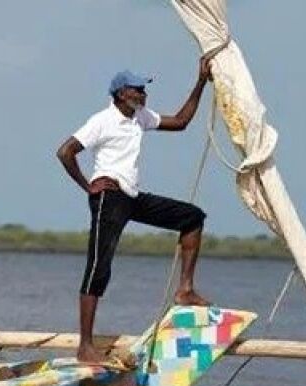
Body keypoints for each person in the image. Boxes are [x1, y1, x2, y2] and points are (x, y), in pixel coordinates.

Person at [56, 55, 215, 363]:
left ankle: (185, 290)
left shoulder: (140, 117)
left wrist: (200, 82)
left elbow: (180, 122)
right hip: (108, 196)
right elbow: (65, 152)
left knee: (192, 217)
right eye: (138, 89)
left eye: (144, 89)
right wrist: (88, 185)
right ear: (121, 94)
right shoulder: (102, 121)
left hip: (130, 196)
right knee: (99, 266)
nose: (144, 94)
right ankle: (85, 346)